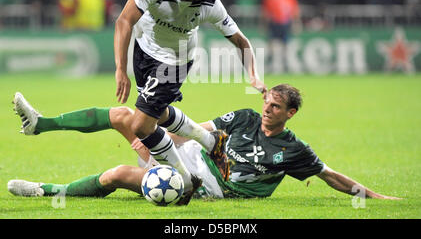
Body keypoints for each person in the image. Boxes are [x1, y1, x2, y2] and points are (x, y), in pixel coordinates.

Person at [9, 84, 400, 201]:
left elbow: (330, 176)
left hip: (206, 186)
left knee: (115, 176)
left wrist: (379, 200)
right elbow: (198, 128)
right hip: (186, 153)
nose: (266, 109)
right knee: (125, 116)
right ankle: (40, 124)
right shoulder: (246, 116)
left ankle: (46, 191)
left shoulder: (294, 151)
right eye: (266, 102)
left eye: (275, 107)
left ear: (290, 114)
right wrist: (152, 139)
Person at [111, 0, 266, 197]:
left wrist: (253, 74)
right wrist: (121, 68)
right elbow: (124, 21)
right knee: (156, 115)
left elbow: (241, 41)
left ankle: (183, 180)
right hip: (144, 53)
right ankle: (211, 140)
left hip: (175, 61)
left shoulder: (209, 5)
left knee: (141, 126)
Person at [261, 0, 300, 73]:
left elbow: (294, 11)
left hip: (286, 24)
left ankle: (285, 66)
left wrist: (296, 23)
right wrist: (264, 25)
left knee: (286, 46)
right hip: (274, 24)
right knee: (272, 46)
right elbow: (265, 13)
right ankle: (270, 65)